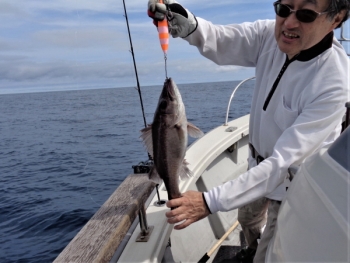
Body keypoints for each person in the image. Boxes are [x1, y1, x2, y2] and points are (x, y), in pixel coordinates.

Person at [148, 0, 350, 262]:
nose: (289, 22)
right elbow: (221, 40)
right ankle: (252, 246)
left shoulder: (334, 83)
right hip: (255, 164)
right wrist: (187, 24)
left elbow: (281, 165)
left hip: (292, 183)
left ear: (337, 19)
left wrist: (208, 202)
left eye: (306, 14)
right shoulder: (269, 35)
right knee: (247, 218)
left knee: (273, 254)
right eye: (284, 8)